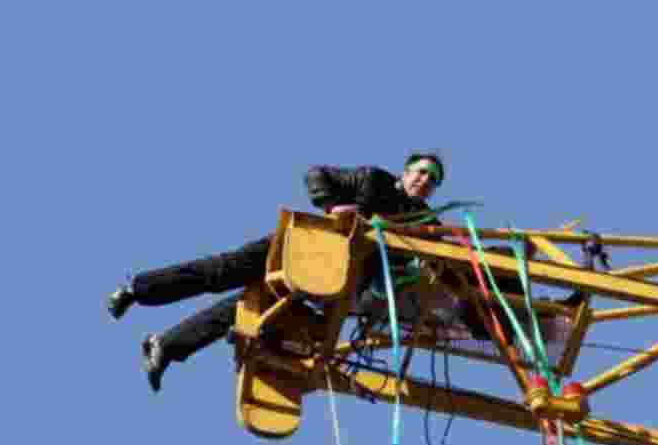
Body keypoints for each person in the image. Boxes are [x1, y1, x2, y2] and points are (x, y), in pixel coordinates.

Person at [106, 154, 445, 392]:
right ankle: (135, 290)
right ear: (405, 171)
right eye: (420, 171)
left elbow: (442, 258)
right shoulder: (374, 180)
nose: (424, 180)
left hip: (327, 278)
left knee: (245, 310)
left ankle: (165, 345)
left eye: (432, 179)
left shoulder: (426, 224)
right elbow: (317, 174)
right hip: (302, 245)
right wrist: (331, 206)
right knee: (222, 271)